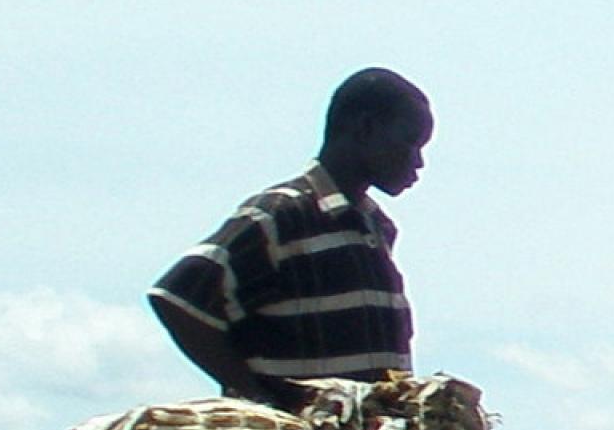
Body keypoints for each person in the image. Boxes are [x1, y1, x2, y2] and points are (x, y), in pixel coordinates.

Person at [147, 68, 434, 410]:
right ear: (366, 129)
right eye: (410, 142)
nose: (418, 162)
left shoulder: (374, 227)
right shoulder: (279, 215)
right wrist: (259, 400)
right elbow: (178, 300)